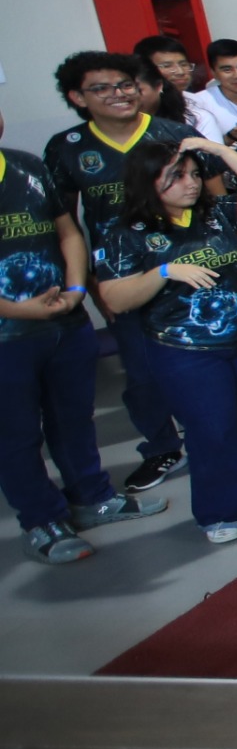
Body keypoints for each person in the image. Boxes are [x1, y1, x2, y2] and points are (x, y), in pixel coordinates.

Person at [93, 133, 237, 542]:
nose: (189, 183)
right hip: (185, 348)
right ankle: (222, 511)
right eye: (175, 177)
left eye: (192, 174)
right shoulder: (128, 233)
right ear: (147, 182)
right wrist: (164, 272)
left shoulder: (217, 211)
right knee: (213, 428)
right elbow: (115, 296)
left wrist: (221, 152)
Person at [0, 120, 168, 562]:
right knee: (15, 434)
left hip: (63, 322)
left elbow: (68, 230)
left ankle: (92, 499)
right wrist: (19, 310)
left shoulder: (27, 167)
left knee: (73, 418)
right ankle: (42, 520)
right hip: (7, 334)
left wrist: (76, 291)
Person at [46, 52, 194, 492]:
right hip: (122, 274)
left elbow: (211, 197)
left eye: (125, 84)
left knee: (211, 357)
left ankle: (232, 431)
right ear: (77, 97)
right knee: (142, 370)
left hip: (190, 264)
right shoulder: (69, 148)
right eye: (102, 88)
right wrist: (87, 283)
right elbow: (65, 222)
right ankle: (162, 446)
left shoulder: (174, 134)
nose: (118, 94)